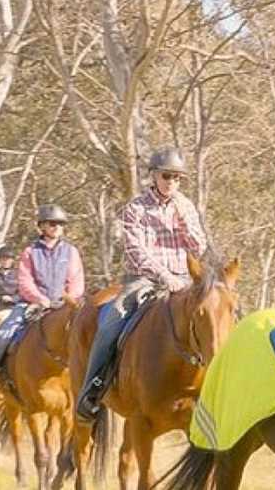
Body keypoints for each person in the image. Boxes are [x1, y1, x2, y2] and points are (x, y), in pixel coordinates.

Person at [75, 147, 207, 423]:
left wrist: (184, 223)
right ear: (154, 175)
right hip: (144, 280)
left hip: (184, 280)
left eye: (177, 177)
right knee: (111, 322)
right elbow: (136, 251)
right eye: (166, 176)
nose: (172, 181)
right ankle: (94, 389)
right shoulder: (135, 208)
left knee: (216, 316)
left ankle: (219, 389)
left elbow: (198, 246)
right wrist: (165, 277)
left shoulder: (186, 206)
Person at [0, 204, 84, 402]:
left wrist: (70, 299)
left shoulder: (71, 251)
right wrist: (40, 299)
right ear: (42, 226)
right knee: (3, 334)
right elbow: (24, 281)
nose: (57, 226)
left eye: (61, 223)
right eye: (53, 223)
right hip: (34, 305)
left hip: (65, 306)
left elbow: (76, 279)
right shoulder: (30, 252)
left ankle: (95, 388)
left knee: (90, 336)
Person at [0, 245, 19, 310]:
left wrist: (13, 298)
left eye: (8, 259)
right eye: (3, 259)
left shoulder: (18, 274)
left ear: (12, 260)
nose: (6, 261)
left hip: (16, 305)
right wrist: (1, 298)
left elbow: (23, 291)